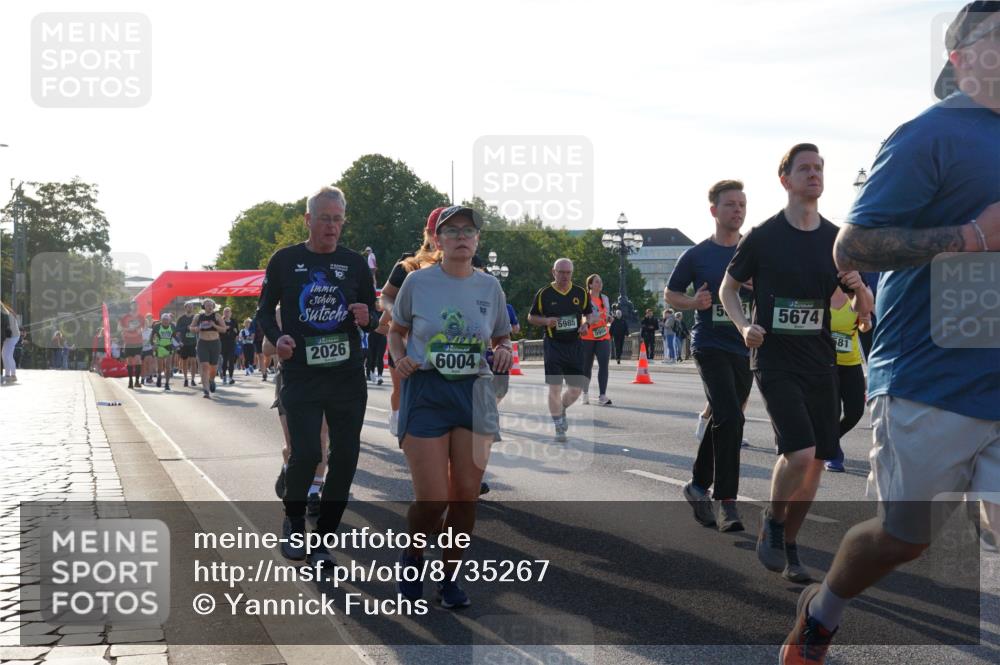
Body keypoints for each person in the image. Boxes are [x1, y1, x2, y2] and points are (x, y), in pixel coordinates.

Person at [779, 6, 1000, 661]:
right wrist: (975, 237)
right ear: (959, 59)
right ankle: (822, 609)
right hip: (933, 376)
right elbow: (854, 246)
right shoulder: (928, 136)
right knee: (906, 536)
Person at [720, 143, 872, 585]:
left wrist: (859, 287)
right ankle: (772, 517)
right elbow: (729, 289)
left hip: (821, 361)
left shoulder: (835, 240)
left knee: (818, 462)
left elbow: (865, 312)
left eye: (820, 167)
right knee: (800, 452)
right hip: (774, 358)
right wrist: (743, 326)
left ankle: (789, 543)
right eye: (804, 168)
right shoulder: (765, 236)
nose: (814, 173)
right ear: (785, 179)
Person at [389, 205, 512, 609]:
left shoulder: (490, 287)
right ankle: (413, 558)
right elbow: (396, 331)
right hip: (427, 392)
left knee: (464, 497)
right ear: (437, 241)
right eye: (452, 231)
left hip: (474, 394)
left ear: (477, 241)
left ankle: (449, 578)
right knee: (432, 499)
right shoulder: (417, 282)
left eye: (469, 231)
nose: (461, 237)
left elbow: (501, 339)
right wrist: (400, 357)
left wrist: (505, 353)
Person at [256, 185, 376, 568]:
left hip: (346, 376)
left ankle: (324, 536)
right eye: (324, 218)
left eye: (337, 219)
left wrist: (367, 318)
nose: (331, 226)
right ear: (309, 220)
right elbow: (263, 312)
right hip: (302, 374)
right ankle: (293, 522)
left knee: (346, 457)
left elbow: (374, 316)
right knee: (307, 453)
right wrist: (279, 338)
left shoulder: (355, 264)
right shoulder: (284, 260)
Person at [667, 179, 754, 532]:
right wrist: (694, 302)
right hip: (710, 345)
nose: (738, 210)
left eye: (742, 204)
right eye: (731, 204)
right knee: (732, 418)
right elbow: (671, 294)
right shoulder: (697, 255)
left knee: (724, 417)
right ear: (714, 210)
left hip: (745, 347)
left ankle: (697, 486)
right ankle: (726, 502)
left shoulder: (753, 251)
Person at [377, 207, 446, 436]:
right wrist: (396, 313)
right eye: (440, 231)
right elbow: (385, 296)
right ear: (428, 233)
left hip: (447, 344)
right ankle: (399, 416)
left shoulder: (469, 265)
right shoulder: (409, 265)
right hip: (407, 341)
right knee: (402, 387)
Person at [264, 306, 329, 517]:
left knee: (320, 439)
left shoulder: (329, 303)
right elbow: (266, 348)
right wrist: (284, 339)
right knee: (292, 445)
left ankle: (313, 493)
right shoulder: (282, 309)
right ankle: (287, 470)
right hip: (290, 380)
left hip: (322, 378)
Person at [527, 258, 595, 442]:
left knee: (576, 390)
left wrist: (586, 324)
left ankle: (561, 408)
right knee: (555, 387)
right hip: (553, 344)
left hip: (574, 344)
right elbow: (531, 317)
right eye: (561, 272)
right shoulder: (545, 294)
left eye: (568, 273)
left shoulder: (580, 293)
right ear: (554, 272)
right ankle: (558, 424)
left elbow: (588, 312)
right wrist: (546, 321)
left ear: (572, 273)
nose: (565, 276)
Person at [823, 286, 872, 473]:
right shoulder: (820, 289)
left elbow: (865, 325)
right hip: (825, 364)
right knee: (832, 410)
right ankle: (832, 452)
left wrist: (865, 323)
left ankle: (828, 440)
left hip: (851, 362)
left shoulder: (857, 292)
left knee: (855, 411)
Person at [580, 274, 613, 406]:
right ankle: (585, 393)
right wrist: (588, 321)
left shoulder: (605, 298)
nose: (600, 284)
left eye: (601, 282)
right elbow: (581, 316)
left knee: (604, 365)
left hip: (603, 335)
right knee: (586, 367)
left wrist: (609, 318)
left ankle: (602, 395)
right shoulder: (584, 298)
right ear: (590, 285)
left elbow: (606, 315)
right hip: (587, 336)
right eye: (597, 282)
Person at [191, 298, 225, 398]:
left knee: (213, 367)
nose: (209, 307)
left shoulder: (217, 316)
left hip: (215, 343)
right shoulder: (198, 316)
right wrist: (197, 328)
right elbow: (191, 328)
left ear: (213, 306)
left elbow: (223, 330)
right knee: (204, 366)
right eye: (207, 305)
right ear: (204, 306)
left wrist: (214, 325)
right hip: (202, 343)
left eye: (211, 305)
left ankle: (211, 380)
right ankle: (206, 390)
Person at [117, 301, 144, 389]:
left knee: (138, 360)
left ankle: (136, 381)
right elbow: (119, 328)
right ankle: (130, 380)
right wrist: (128, 328)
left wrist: (141, 330)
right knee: (129, 362)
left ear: (138, 306)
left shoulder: (140, 317)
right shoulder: (125, 317)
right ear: (130, 306)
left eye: (136, 305)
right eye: (133, 305)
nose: (135, 306)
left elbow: (144, 327)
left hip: (138, 342)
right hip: (128, 342)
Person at [174, 302, 199, 387]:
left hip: (193, 343)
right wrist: (186, 328)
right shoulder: (181, 318)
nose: (190, 308)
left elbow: (199, 328)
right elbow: (177, 330)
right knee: (184, 362)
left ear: (193, 308)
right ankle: (185, 379)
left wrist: (194, 329)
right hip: (184, 343)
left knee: (193, 361)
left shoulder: (195, 317)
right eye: (188, 307)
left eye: (191, 307)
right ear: (185, 308)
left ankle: (192, 379)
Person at [151, 312, 175, 391]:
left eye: (167, 320)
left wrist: (179, 342)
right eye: (164, 320)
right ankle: (159, 377)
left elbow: (175, 336)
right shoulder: (157, 326)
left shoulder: (172, 326)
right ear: (161, 320)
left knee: (168, 367)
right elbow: (151, 336)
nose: (165, 321)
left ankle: (167, 384)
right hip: (160, 348)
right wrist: (153, 344)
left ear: (169, 321)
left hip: (169, 348)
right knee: (160, 367)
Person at [219, 306, 238, 385]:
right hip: (223, 343)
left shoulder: (234, 321)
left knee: (231, 361)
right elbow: (219, 331)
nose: (227, 313)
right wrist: (225, 328)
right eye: (225, 312)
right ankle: (224, 376)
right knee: (224, 361)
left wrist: (236, 335)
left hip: (232, 343)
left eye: (228, 312)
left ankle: (231, 377)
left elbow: (237, 331)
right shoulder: (221, 321)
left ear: (231, 313)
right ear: (223, 313)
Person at [2, 302, 21, 384]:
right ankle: (11, 375)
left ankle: (10, 375)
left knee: (6, 355)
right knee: (6, 354)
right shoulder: (7, 312)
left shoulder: (5, 313)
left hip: (12, 336)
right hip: (12, 336)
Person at [140, 313, 155, 384]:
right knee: (143, 365)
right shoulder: (139, 331)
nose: (144, 324)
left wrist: (154, 345)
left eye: (146, 323)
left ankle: (149, 377)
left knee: (149, 363)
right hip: (141, 350)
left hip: (149, 349)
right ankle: (143, 378)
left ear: (148, 323)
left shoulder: (151, 331)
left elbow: (154, 339)